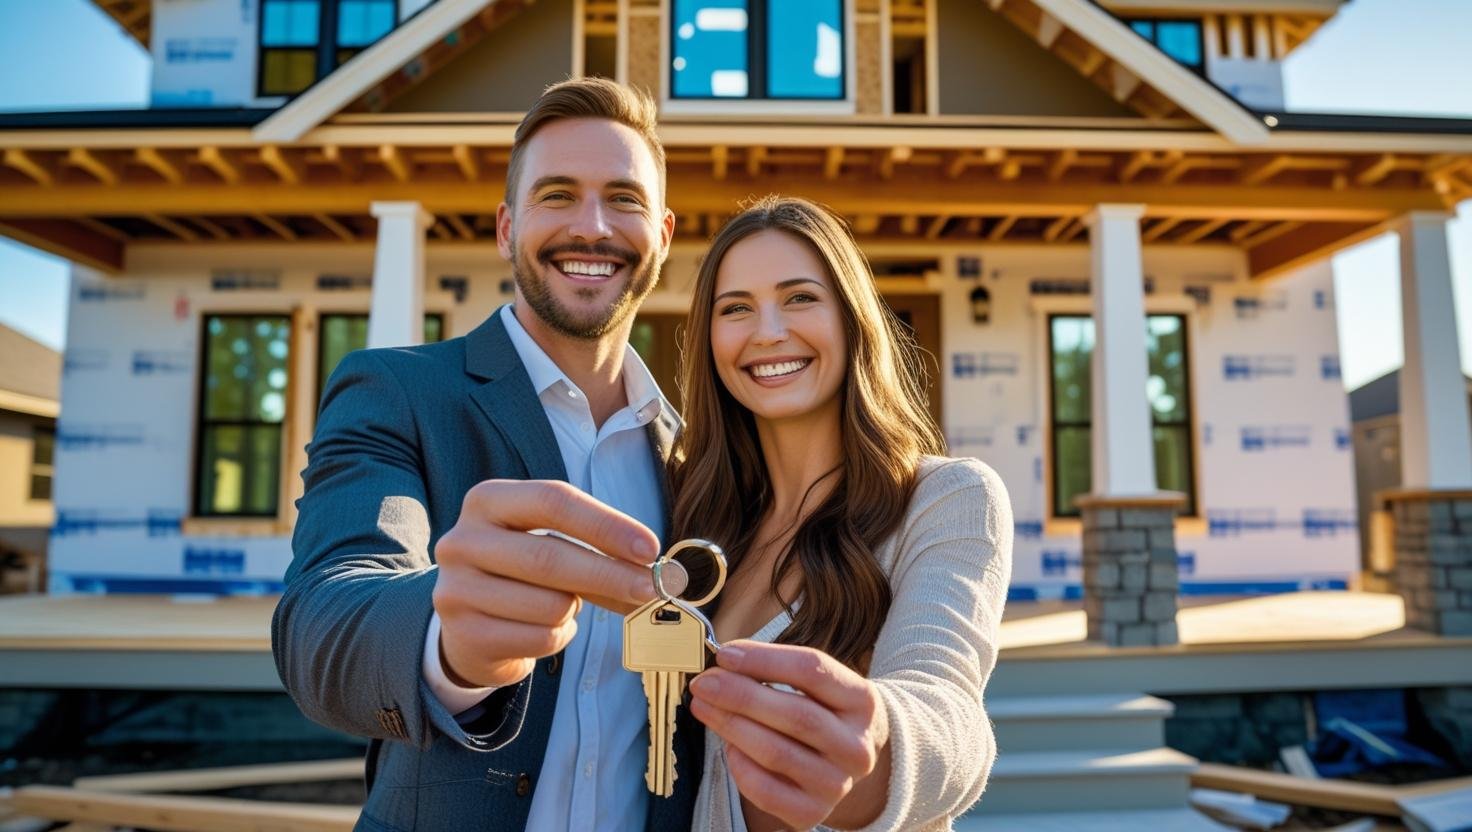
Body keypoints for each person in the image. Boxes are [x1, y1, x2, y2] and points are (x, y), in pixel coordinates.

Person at [272, 78, 706, 831]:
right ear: (507, 229)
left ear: (663, 235)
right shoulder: (396, 390)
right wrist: (447, 642)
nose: (593, 227)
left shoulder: (696, 456)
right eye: (558, 195)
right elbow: (322, 620)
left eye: (625, 200)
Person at [669, 196, 1014, 831]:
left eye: (800, 298)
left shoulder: (946, 500)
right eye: (736, 308)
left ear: (852, 319)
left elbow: (948, 705)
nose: (768, 330)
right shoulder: (692, 514)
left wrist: (881, 748)